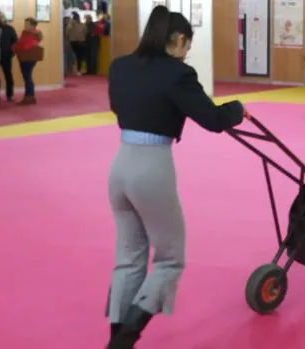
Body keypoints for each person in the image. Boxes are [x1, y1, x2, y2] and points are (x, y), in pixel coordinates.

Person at [104, 6, 249, 349]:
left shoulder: (120, 67)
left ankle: (116, 337)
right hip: (152, 169)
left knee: (129, 259)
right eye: (187, 46)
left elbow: (117, 108)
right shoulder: (177, 73)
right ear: (179, 39)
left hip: (120, 166)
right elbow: (213, 119)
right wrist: (238, 109)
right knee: (170, 259)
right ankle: (124, 340)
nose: (187, 54)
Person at [12, 17, 43, 105]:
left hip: (27, 57)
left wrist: (15, 48)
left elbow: (25, 45)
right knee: (28, 77)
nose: (25, 26)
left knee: (27, 77)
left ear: (33, 26)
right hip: (26, 57)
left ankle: (29, 97)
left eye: (27, 24)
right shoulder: (32, 33)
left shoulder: (32, 34)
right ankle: (30, 96)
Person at [0, 11, 18, 104]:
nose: (0, 18)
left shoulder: (9, 29)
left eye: (1, 16)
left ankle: (9, 95)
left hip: (6, 56)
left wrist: (12, 53)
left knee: (8, 76)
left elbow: (15, 42)